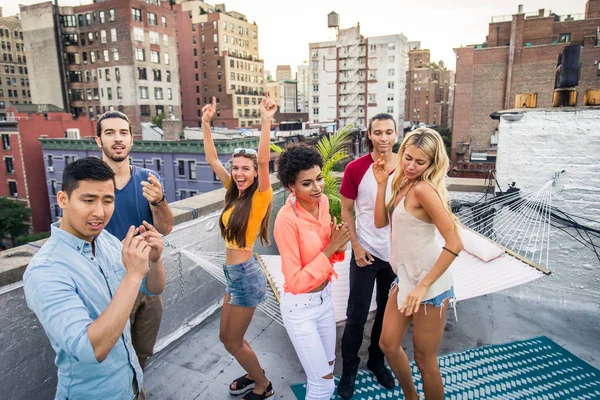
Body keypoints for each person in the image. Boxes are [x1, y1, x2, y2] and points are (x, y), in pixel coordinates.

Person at [23, 157, 166, 399]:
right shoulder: (45, 270)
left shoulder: (107, 242)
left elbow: (154, 289)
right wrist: (132, 274)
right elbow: (90, 350)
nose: (99, 212)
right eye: (88, 200)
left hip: (131, 384)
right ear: (63, 200)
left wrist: (154, 259)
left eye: (108, 201)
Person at [372, 128, 463, 400]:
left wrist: (422, 288)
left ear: (432, 164)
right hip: (405, 278)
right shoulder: (403, 183)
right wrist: (380, 184)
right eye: (408, 158)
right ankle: (412, 396)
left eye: (419, 162)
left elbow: (455, 243)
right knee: (387, 344)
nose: (411, 166)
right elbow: (379, 222)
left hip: (429, 287)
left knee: (425, 361)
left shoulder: (424, 189)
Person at [202, 95, 275, 400]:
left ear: (256, 173)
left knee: (233, 341)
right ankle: (252, 371)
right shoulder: (233, 193)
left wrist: (265, 120)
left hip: (245, 276)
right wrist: (205, 123)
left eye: (246, 169)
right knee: (226, 337)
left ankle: (263, 385)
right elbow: (211, 160)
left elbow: (262, 158)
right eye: (236, 168)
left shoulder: (261, 196)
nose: (240, 173)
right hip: (233, 275)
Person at [95, 111, 174, 382]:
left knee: (141, 352)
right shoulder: (91, 182)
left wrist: (160, 201)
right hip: (110, 290)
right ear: (98, 140)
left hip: (148, 287)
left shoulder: (148, 178)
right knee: (114, 357)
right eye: (110, 133)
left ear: (131, 139)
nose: (118, 139)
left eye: (123, 133)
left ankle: (136, 388)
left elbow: (164, 228)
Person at [273, 144, 350, 400]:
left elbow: (331, 256)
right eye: (307, 183)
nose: (317, 188)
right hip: (300, 308)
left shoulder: (324, 202)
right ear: (291, 187)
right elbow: (295, 281)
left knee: (327, 369)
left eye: (319, 178)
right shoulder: (286, 221)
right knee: (324, 385)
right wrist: (332, 248)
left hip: (325, 301)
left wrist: (339, 244)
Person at [338, 114, 398, 398]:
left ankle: (377, 361)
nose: (383, 137)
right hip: (365, 254)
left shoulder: (406, 167)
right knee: (356, 316)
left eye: (388, 132)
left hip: (396, 257)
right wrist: (356, 246)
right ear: (370, 136)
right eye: (378, 132)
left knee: (387, 315)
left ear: (396, 135)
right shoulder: (356, 168)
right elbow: (346, 211)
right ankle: (349, 369)